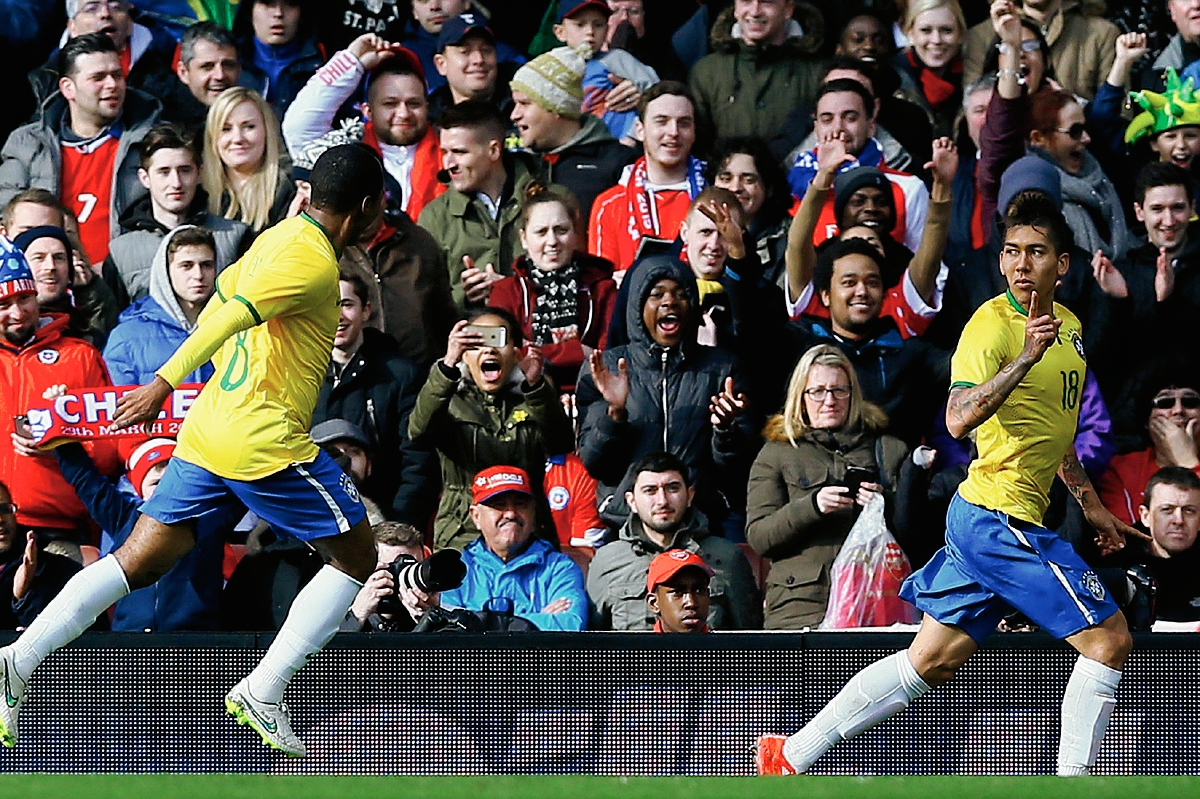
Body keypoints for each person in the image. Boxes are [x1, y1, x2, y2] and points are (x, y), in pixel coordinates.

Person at [0, 144, 387, 758]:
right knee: (359, 557)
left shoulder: (282, 238)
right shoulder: (311, 261)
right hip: (263, 441)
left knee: (137, 561)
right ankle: (265, 689)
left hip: (210, 431)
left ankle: (17, 661)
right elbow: (227, 315)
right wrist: (163, 381)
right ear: (366, 208)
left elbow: (232, 291)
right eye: (379, 208)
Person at [756, 192, 1147, 778]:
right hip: (997, 517)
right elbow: (959, 416)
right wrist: (1020, 360)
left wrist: (1090, 507)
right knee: (1109, 639)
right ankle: (1077, 788)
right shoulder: (991, 326)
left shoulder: (1067, 327)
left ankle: (791, 754)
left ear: (1061, 265)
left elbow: (1056, 428)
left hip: (998, 517)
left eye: (1036, 252)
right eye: (1012, 251)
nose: (1020, 264)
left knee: (929, 661)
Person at [576, 256, 753, 528]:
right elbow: (596, 464)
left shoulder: (723, 368)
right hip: (627, 525)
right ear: (637, 308)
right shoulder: (608, 368)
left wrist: (725, 431)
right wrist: (615, 414)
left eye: (681, 295)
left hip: (701, 522)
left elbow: (736, 469)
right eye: (657, 295)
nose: (669, 302)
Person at [747, 345, 911, 630]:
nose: (829, 400)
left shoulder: (888, 449)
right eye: (817, 391)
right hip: (801, 609)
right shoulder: (776, 453)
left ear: (853, 394)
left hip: (875, 603)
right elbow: (760, 537)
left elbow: (916, 533)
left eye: (839, 390)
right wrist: (812, 507)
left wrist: (885, 504)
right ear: (801, 397)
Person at [407, 309, 575, 550]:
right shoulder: (448, 400)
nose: (489, 350)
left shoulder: (534, 398)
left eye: (497, 340)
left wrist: (536, 386)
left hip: (527, 531)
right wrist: (447, 367)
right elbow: (418, 431)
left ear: (516, 353)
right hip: (462, 532)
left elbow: (561, 443)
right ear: (464, 355)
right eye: (476, 343)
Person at [0, 33, 162, 268]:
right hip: (47, 281)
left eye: (117, 75)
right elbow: (5, 214)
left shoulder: (152, 140)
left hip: (129, 279)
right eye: (98, 77)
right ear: (68, 88)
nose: (112, 84)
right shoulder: (28, 143)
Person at [0, 245, 120, 553]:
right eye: (4, 303)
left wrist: (64, 448)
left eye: (24, 298)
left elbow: (110, 452)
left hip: (59, 530)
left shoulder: (79, 357)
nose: (17, 313)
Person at [54, 435, 237, 632]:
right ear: (140, 490)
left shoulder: (210, 520)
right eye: (156, 483)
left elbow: (239, 479)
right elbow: (85, 480)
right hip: (130, 642)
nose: (165, 490)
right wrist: (57, 437)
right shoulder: (123, 518)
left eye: (173, 482)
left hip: (194, 641)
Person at [784, 133, 954, 342]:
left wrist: (942, 188)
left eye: (872, 246)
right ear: (827, 294)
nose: (861, 291)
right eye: (848, 282)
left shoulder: (903, 296)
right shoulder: (816, 299)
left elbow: (931, 256)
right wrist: (824, 176)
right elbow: (797, 245)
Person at [311, 270, 433, 527]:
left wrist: (398, 524)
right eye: (328, 306)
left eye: (346, 304)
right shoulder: (302, 375)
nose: (338, 316)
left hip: (386, 517)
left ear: (366, 311)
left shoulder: (401, 375)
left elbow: (417, 460)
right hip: (315, 518)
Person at [282, 34, 446, 223]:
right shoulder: (346, 150)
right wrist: (351, 61)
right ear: (367, 110)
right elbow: (298, 126)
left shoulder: (451, 150)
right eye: (390, 104)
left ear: (427, 107)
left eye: (414, 104)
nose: (403, 113)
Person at [587, 451, 760, 630]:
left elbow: (748, 635)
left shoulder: (726, 556)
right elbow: (591, 641)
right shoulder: (608, 561)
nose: (662, 501)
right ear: (631, 501)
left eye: (673, 488)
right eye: (650, 491)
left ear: (690, 495)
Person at [489, 182, 617, 392]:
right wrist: (579, 351)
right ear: (524, 239)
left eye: (561, 230)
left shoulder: (602, 288)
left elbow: (608, 355)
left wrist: (537, 353)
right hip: (525, 395)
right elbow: (504, 355)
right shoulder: (506, 291)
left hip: (592, 394)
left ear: (575, 234)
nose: (552, 241)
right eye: (541, 232)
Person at [105, 123, 249, 306]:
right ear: (144, 178)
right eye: (164, 172)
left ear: (200, 174)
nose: (176, 183)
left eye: (185, 170)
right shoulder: (121, 252)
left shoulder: (236, 237)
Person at [417, 101, 539, 312]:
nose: (449, 164)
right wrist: (465, 295)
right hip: (471, 339)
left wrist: (511, 289)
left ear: (493, 151)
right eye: (445, 152)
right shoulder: (434, 217)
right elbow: (426, 307)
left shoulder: (548, 200)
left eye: (460, 152)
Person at [787, 80, 930, 256]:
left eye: (850, 118)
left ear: (871, 125)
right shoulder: (793, 186)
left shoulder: (908, 188)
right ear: (816, 129)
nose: (838, 128)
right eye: (827, 119)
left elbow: (927, 267)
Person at [438, 465, 587, 631]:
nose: (511, 514)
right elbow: (448, 634)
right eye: (499, 505)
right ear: (476, 516)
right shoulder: (455, 571)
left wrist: (478, 622)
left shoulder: (560, 568)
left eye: (520, 504)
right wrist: (533, 623)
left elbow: (570, 626)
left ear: (533, 512)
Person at [588, 82, 705, 276]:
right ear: (640, 130)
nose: (673, 132)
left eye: (684, 123)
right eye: (661, 121)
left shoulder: (714, 196)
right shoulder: (609, 204)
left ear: (694, 132)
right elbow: (602, 290)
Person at [509, 44, 634, 220]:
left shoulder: (619, 163)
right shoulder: (520, 166)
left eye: (524, 103)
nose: (514, 115)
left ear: (556, 108)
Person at [688, 0, 825, 147]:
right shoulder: (706, 72)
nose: (755, 12)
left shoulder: (818, 72)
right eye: (746, 1)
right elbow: (698, 146)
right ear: (735, 7)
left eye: (766, 2)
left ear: (788, 10)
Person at [103, 225, 217, 386]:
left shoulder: (237, 329)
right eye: (186, 266)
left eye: (206, 265)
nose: (198, 275)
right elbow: (115, 403)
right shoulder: (126, 337)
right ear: (165, 271)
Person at [26, 0, 173, 114]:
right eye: (91, 8)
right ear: (72, 27)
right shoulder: (43, 80)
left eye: (115, 6)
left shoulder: (164, 77)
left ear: (130, 24)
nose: (105, 13)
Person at [963, 0, 1118, 102]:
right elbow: (970, 112)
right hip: (1004, 145)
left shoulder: (1101, 34)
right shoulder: (982, 35)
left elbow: (1115, 117)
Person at [1100, 375, 1200, 526]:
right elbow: (1120, 541)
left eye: (1190, 402)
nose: (1178, 410)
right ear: (1146, 421)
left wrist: (1188, 462)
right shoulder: (1120, 470)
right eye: (1165, 402)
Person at [0, 479, 95, 632]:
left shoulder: (57, 569)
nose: (1, 520)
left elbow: (81, 637)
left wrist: (24, 597)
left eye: (5, 509)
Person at [201, 87, 295, 235]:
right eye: (226, 129)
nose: (238, 138)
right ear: (213, 137)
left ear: (266, 131)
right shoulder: (198, 192)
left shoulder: (288, 190)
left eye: (249, 127)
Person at [706, 136, 793, 283]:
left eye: (748, 180)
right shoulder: (694, 229)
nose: (735, 188)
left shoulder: (788, 243)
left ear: (769, 188)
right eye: (726, 178)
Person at [400, 0, 525, 95]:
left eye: (485, 50)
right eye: (423, 0)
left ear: (466, 2)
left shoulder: (508, 58)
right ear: (414, 11)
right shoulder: (402, 58)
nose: (434, 6)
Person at [1126, 467, 1200, 621]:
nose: (1178, 520)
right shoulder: (1119, 569)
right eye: (1167, 510)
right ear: (1145, 516)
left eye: (1189, 510)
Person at [231, 0, 325, 119]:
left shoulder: (324, 62)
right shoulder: (228, 61)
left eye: (290, 4)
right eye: (268, 3)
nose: (278, 13)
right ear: (249, 12)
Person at [891, 0, 967, 138]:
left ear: (961, 34)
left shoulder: (974, 74)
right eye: (926, 30)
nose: (936, 40)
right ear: (910, 34)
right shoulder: (890, 78)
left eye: (947, 30)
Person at [427, 14, 517, 122]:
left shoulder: (523, 107)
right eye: (465, 52)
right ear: (441, 64)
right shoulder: (427, 121)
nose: (478, 59)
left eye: (486, 50)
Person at [343, 521, 429, 632]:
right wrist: (357, 615)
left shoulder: (431, 616)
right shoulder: (336, 610)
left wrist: (430, 621)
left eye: (411, 568)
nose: (403, 577)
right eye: (394, 568)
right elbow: (322, 647)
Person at [162, 21, 243, 130]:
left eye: (228, 65)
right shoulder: (165, 122)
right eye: (207, 67)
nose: (220, 75)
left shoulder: (257, 115)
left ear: (239, 69)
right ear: (183, 72)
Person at [646, 548, 713, 634]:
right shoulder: (637, 647)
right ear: (654, 603)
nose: (691, 603)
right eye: (678, 593)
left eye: (699, 591)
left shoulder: (727, 646)